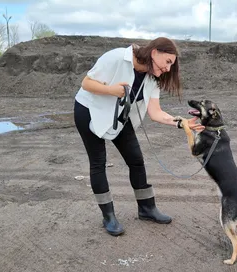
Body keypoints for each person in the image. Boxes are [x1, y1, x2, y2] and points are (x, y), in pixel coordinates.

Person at [74, 37, 203, 236]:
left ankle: (146, 208)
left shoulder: (152, 78)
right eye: (167, 62)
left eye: (171, 64)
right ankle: (108, 216)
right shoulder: (117, 57)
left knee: (136, 159)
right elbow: (86, 82)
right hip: (89, 110)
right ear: (154, 52)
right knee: (98, 162)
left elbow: (155, 112)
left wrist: (181, 122)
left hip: (119, 113)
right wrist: (111, 90)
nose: (168, 69)